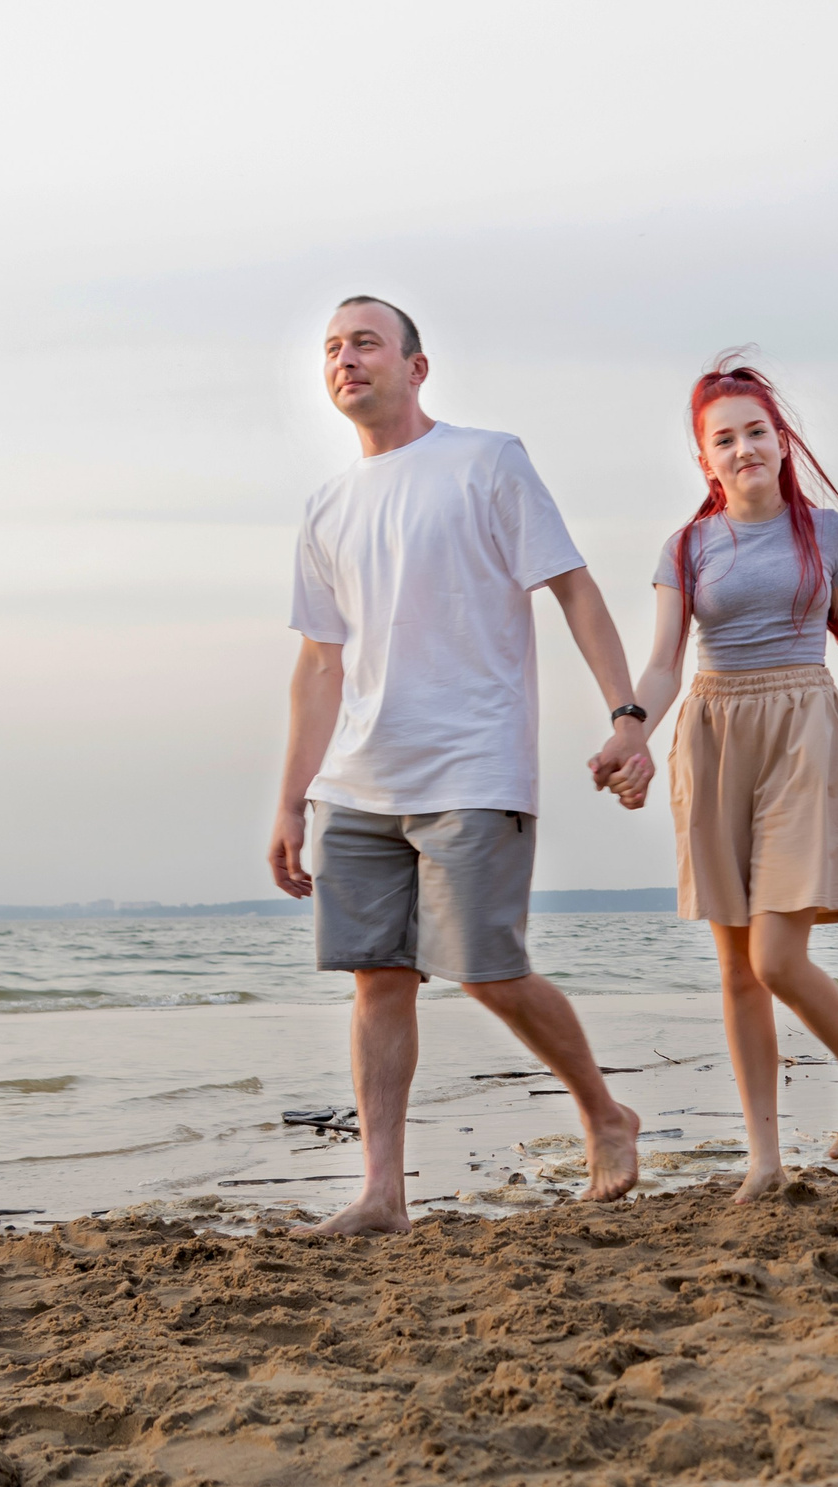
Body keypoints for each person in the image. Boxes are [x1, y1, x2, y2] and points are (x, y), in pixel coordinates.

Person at [268, 294, 649, 1237]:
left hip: (473, 765)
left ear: (416, 365)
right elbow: (319, 664)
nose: (346, 360)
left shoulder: (486, 461)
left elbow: (575, 590)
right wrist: (289, 801)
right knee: (377, 979)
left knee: (486, 969)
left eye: (365, 343)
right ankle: (384, 1192)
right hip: (358, 780)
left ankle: (605, 1112)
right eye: (331, 349)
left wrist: (627, 714)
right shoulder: (325, 505)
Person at [602, 358, 838, 1202]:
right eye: (724, 439)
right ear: (704, 459)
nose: (743, 448)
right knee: (736, 967)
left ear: (782, 443)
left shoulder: (827, 535)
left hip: (801, 728)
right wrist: (632, 733)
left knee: (777, 955)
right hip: (712, 731)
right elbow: (665, 664)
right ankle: (765, 1160)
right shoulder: (686, 547)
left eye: (756, 432)